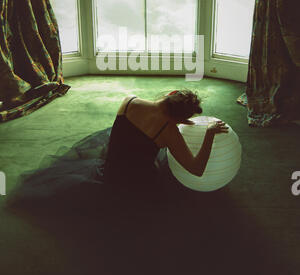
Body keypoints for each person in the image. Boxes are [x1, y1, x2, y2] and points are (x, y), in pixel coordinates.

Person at [6, 89, 229, 215]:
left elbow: (147, 119)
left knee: (110, 133)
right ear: (179, 118)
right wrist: (208, 134)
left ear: (168, 95)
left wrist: (175, 121)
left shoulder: (129, 101)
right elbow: (197, 169)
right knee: (167, 159)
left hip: (110, 172)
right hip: (138, 187)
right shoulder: (170, 132)